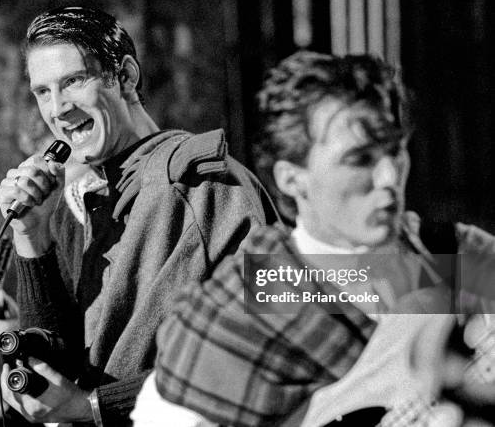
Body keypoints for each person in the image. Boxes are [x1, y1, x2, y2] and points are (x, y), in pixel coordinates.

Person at [139, 52, 495, 426]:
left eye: (395, 151)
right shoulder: (245, 306)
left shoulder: (452, 253)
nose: (389, 177)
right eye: (360, 159)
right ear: (292, 179)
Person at [0, 6, 274, 426]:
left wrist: (97, 405)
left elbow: (266, 350)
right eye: (42, 91)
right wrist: (31, 236)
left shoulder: (207, 184)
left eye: (73, 81)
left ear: (126, 76)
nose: (58, 109)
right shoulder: (76, 207)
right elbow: (57, 377)